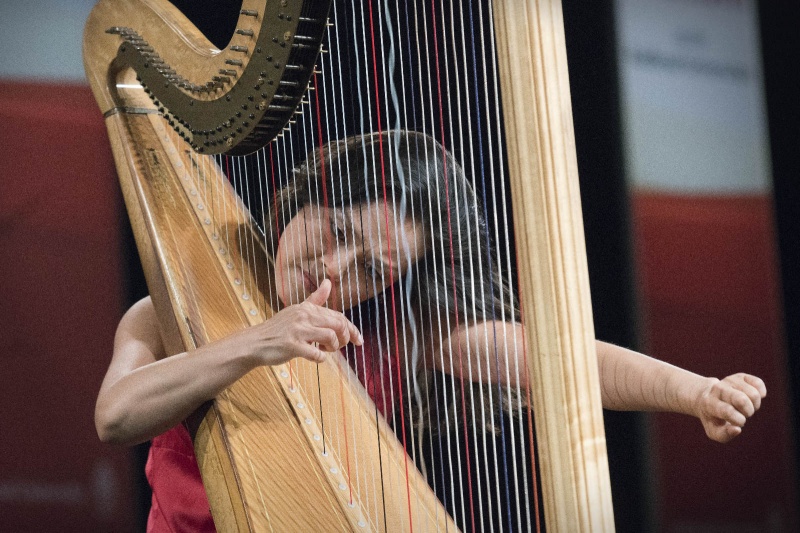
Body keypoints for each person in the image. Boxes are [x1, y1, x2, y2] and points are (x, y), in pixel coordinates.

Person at [96, 130, 766, 532]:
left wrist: (695, 391)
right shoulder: (171, 308)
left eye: (372, 268)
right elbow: (116, 414)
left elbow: (555, 360)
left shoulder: (393, 332)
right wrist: (258, 341)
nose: (334, 269)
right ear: (308, 195)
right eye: (337, 232)